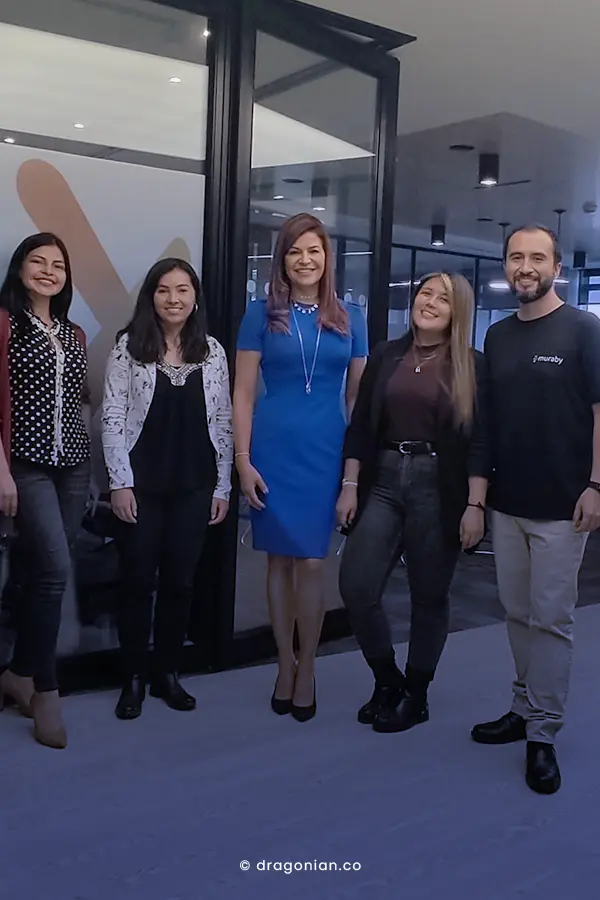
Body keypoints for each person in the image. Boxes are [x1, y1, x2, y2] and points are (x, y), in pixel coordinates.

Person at [471, 225, 600, 795]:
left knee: (551, 619)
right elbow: (488, 427)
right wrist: (479, 498)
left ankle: (543, 735)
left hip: (562, 507)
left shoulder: (584, 330)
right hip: (508, 504)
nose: (526, 266)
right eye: (516, 257)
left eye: (537, 257)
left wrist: (596, 484)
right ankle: (522, 709)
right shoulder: (497, 338)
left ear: (557, 267)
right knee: (517, 614)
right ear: (506, 265)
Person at [337, 273, 488, 733]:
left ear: (457, 311)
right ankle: (388, 681)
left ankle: (416, 694)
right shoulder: (386, 355)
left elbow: (482, 441)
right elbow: (361, 424)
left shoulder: (472, 364)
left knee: (429, 595)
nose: (431, 302)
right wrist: (349, 483)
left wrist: (475, 505)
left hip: (438, 484)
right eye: (426, 293)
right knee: (358, 587)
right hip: (382, 478)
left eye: (444, 298)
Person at [233, 213, 368, 721]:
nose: (305, 260)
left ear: (327, 258)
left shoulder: (352, 318)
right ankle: (283, 663)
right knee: (278, 561)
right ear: (282, 262)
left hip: (326, 451)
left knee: (313, 562)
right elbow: (243, 394)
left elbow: (358, 403)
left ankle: (308, 665)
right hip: (271, 447)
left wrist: (352, 476)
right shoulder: (260, 314)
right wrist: (242, 461)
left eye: (314, 251)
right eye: (294, 252)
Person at [101, 258, 232, 721]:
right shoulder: (128, 346)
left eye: (182, 289)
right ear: (150, 296)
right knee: (138, 583)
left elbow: (222, 420)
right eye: (163, 290)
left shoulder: (212, 350)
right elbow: (113, 417)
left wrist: (223, 486)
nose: (173, 298)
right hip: (142, 487)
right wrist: (119, 483)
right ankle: (133, 677)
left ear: (195, 296)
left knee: (180, 583)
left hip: (195, 487)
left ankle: (167, 673)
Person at [0, 233, 92, 749]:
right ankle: (45, 690)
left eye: (58, 264)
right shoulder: (5, 323)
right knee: (55, 571)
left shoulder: (74, 333)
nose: (48, 271)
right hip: (27, 464)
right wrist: (2, 472)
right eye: (38, 261)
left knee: (42, 571)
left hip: (73, 466)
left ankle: (16, 672)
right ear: (19, 269)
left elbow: (78, 403)